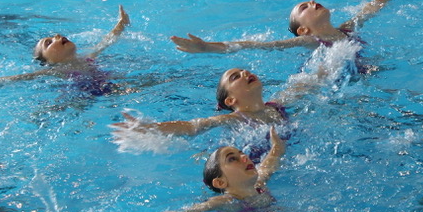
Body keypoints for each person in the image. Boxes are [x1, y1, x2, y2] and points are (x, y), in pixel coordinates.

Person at [89, 126, 284, 212]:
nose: (244, 158)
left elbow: (269, 163)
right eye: (232, 159)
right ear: (220, 183)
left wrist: (277, 144)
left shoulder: (259, 185)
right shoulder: (226, 201)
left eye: (242, 154)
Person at [171, 0, 402, 54]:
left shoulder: (346, 29)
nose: (312, 2)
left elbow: (367, 11)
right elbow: (259, 45)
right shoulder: (310, 40)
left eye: (310, 2)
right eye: (304, 8)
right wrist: (209, 47)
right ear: (303, 30)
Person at [0, 7, 128, 94]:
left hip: (106, 84)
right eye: (49, 42)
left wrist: (121, 24)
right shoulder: (56, 71)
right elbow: (10, 80)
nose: (58, 37)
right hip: (80, 95)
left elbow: (106, 41)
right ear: (49, 60)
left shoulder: (87, 57)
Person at [113, 64, 329, 141]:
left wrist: (324, 70)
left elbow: (304, 85)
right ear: (231, 100)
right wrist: (149, 128)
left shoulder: (276, 105)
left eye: (244, 71)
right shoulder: (233, 119)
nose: (245, 72)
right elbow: (191, 126)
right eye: (235, 77)